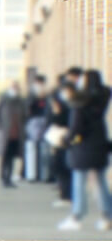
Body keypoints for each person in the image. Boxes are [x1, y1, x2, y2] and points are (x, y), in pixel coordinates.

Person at [58, 70, 112, 231]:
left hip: (83, 148)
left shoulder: (80, 102)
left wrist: (65, 140)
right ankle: (108, 215)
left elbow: (76, 127)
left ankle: (77, 216)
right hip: (100, 144)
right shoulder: (102, 99)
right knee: (100, 181)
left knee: (79, 181)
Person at [0, 81, 26, 188]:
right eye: (13, 87)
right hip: (5, 134)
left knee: (11, 157)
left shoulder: (20, 101)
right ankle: (4, 178)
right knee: (5, 157)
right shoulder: (3, 99)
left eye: (17, 88)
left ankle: (9, 179)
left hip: (16, 134)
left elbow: (25, 115)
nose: (15, 89)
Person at [48, 79, 74, 207]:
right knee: (59, 167)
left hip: (65, 139)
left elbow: (61, 122)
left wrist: (57, 113)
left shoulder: (70, 106)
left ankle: (67, 196)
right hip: (60, 139)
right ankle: (64, 195)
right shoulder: (65, 105)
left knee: (64, 168)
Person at [25, 75, 49, 182]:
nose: (39, 86)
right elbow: (27, 107)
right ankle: (32, 174)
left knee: (44, 149)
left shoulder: (47, 95)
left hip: (45, 121)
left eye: (41, 83)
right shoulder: (31, 94)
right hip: (34, 121)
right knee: (32, 148)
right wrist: (36, 97)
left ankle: (44, 174)